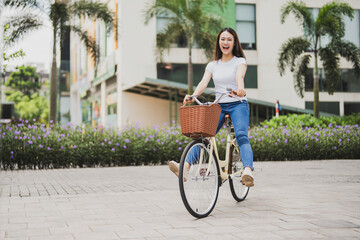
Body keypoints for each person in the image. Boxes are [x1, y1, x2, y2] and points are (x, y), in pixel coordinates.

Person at [169, 27, 254, 187]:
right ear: (219, 42)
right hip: (219, 105)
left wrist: (240, 89)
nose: (226, 42)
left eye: (229, 39)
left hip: (238, 103)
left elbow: (239, 76)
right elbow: (203, 82)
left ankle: (248, 171)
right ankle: (185, 168)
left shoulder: (239, 61)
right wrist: (193, 95)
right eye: (223, 39)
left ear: (234, 42)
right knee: (203, 136)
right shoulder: (213, 65)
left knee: (242, 136)